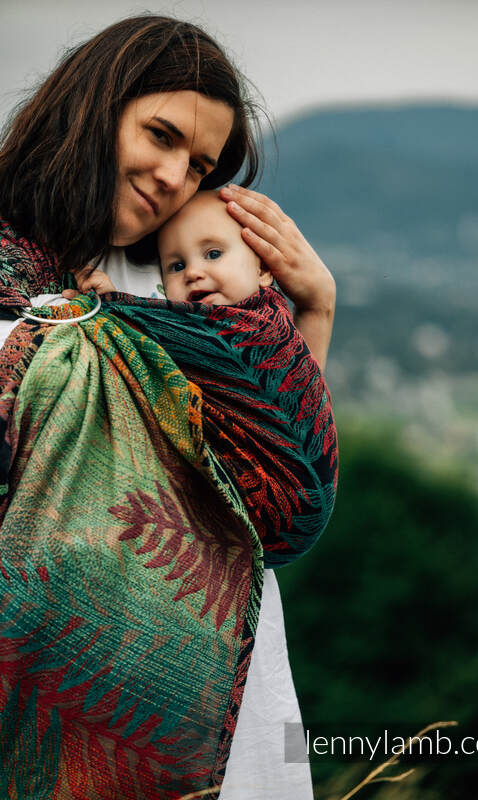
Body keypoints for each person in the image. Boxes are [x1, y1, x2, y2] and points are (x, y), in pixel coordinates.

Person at [0, 15, 336, 799]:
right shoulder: (58, 303)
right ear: (91, 104)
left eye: (200, 166)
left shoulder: (167, 282)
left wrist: (314, 311)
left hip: (230, 706)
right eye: (160, 135)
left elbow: (274, 493)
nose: (174, 177)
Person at [67, 190, 275, 305]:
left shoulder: (278, 329)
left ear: (263, 270)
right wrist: (110, 300)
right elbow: (142, 334)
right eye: (177, 266)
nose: (192, 273)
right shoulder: (176, 322)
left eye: (213, 254)